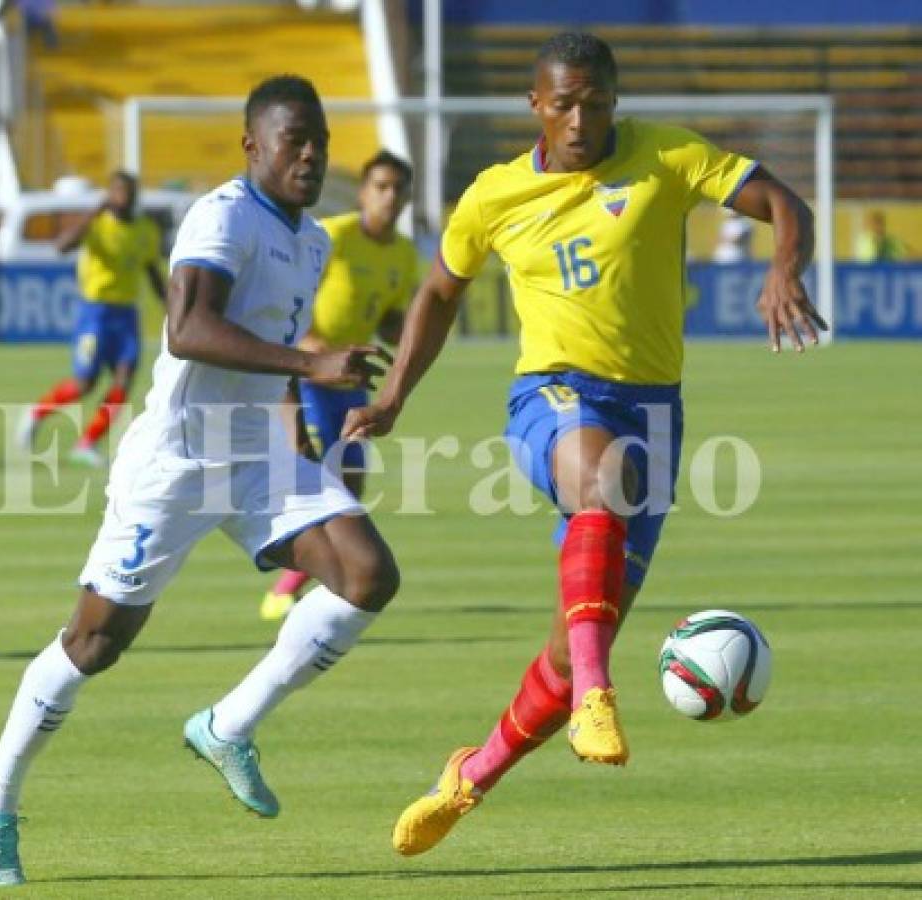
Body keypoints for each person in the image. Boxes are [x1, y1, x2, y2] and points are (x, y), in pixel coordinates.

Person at [343, 31, 828, 856]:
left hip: (655, 417)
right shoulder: (494, 195)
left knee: (572, 648)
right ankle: (601, 697)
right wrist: (392, 397)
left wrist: (785, 267)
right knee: (604, 484)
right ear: (536, 104)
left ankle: (468, 778)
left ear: (615, 101)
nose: (580, 119)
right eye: (563, 103)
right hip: (553, 395)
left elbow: (785, 202)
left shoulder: (666, 157)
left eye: (595, 102)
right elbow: (438, 290)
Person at [0, 74, 399, 886]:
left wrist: (299, 404)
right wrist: (310, 362)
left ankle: (228, 725)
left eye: (321, 142)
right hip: (178, 459)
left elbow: (274, 338)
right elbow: (190, 328)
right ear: (252, 145)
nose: (310, 155)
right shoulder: (224, 214)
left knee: (368, 574)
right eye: (293, 139)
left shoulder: (313, 240)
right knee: (95, 643)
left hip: (258, 452)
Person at [261, 149, 417, 621]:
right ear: (365, 191)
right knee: (318, 479)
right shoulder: (334, 237)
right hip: (310, 373)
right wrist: (314, 355)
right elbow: (292, 303)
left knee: (349, 486)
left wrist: (410, 329)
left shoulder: (403, 254)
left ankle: (297, 583)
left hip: (352, 379)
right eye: (381, 187)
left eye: (398, 189)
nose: (389, 198)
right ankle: (290, 582)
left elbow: (388, 318)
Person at [17, 170, 165, 467]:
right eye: (118, 192)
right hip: (95, 314)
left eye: (128, 192)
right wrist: (94, 213)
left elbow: (152, 273)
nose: (123, 198)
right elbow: (62, 247)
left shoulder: (146, 229)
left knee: (124, 382)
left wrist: (172, 307)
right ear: (109, 195)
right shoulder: (96, 225)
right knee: (85, 384)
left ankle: (87, 443)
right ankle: (36, 413)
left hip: (126, 315)